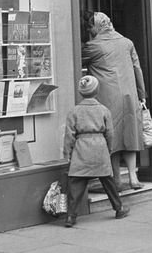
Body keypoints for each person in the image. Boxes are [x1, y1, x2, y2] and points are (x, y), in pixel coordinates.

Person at [82, 12, 146, 190]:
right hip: (130, 96)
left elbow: (74, 61)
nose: (89, 30)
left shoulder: (93, 46)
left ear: (96, 27)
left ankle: (116, 179)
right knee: (130, 135)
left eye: (90, 27)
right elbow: (137, 69)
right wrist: (142, 95)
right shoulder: (127, 42)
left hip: (107, 98)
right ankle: (133, 177)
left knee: (112, 138)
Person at [62, 75, 129, 227]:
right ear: (97, 91)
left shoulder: (74, 111)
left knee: (76, 183)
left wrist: (67, 153)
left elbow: (69, 135)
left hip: (81, 149)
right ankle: (119, 208)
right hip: (99, 147)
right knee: (108, 181)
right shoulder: (104, 110)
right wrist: (109, 148)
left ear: (81, 92)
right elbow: (110, 133)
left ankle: (71, 217)